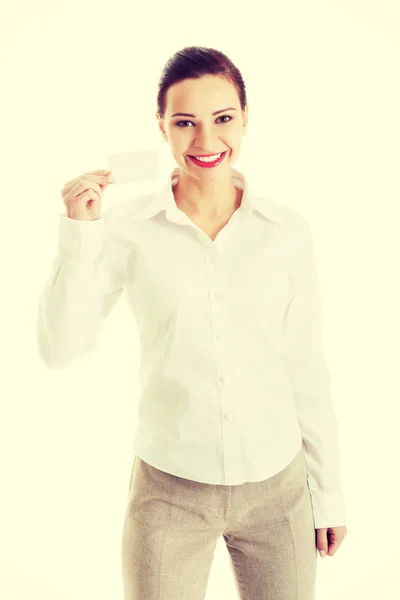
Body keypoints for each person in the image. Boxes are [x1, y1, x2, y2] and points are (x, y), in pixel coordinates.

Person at [36, 46, 347, 599]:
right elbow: (60, 348)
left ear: (246, 120)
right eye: (185, 123)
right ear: (161, 127)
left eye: (223, 119)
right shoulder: (126, 228)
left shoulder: (286, 231)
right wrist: (79, 235)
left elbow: (306, 368)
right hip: (169, 492)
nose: (206, 141)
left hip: (279, 492)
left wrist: (329, 494)